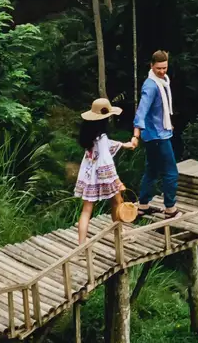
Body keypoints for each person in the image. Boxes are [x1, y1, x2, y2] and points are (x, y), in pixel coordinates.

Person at [74, 98, 138, 244]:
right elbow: (105, 161)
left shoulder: (89, 134)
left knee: (86, 210)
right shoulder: (101, 137)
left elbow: (104, 147)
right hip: (103, 175)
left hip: (89, 176)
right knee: (117, 201)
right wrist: (117, 181)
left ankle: (81, 244)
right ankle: (120, 234)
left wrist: (123, 145)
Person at [133, 50, 180, 218]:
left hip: (159, 133)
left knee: (152, 170)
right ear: (151, 66)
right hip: (157, 137)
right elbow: (142, 110)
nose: (162, 71)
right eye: (158, 68)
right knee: (171, 172)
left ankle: (143, 206)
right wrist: (136, 133)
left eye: (164, 68)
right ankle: (170, 209)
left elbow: (160, 111)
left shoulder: (162, 82)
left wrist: (168, 125)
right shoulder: (151, 86)